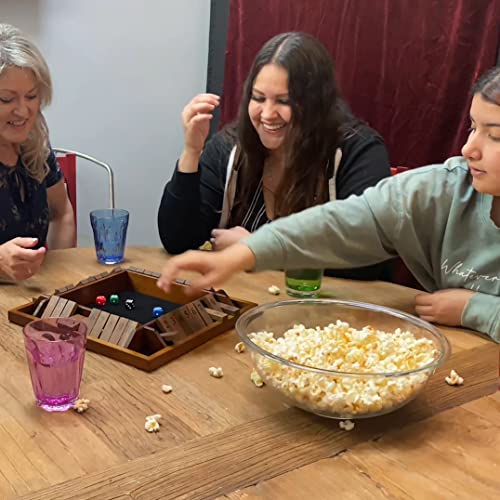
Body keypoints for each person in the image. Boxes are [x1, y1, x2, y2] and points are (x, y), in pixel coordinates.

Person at [157, 66, 500, 343]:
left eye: (494, 135)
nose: (469, 148)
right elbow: (344, 222)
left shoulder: (356, 147)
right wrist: (245, 254)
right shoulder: (446, 185)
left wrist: (477, 308)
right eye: (472, 127)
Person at [158, 32, 391, 280]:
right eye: (258, 98)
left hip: (329, 312)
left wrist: (260, 249)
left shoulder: (358, 151)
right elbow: (178, 240)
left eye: (283, 101)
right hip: (243, 303)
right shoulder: (229, 147)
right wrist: (192, 152)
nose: (267, 114)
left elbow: (368, 258)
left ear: (315, 103)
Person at [0, 24, 75, 281]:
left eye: (31, 96)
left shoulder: (36, 147)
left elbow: (61, 212)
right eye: (6, 100)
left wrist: (61, 281)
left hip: (34, 296)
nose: (23, 111)